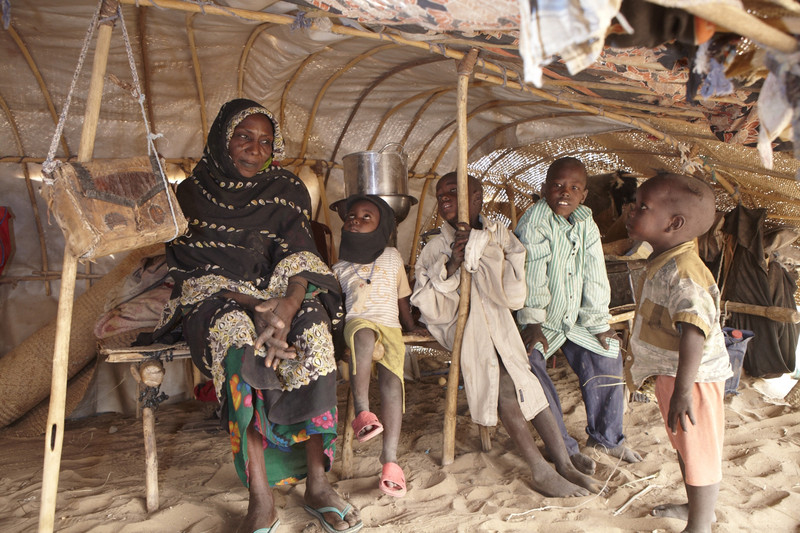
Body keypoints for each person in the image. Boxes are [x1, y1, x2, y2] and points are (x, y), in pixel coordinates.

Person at [148, 99, 362, 533]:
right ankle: (261, 497)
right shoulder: (191, 194)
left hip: (283, 290)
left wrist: (285, 305)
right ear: (222, 139)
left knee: (316, 331)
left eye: (266, 141)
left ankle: (318, 484)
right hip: (219, 294)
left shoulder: (287, 189)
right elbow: (191, 266)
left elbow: (302, 254)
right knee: (237, 340)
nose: (255, 149)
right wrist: (253, 307)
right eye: (244, 137)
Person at [411, 172, 600, 497]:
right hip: (462, 330)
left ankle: (563, 462)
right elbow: (433, 310)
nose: (444, 199)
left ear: (476, 198)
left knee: (526, 378)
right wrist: (454, 265)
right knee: (504, 380)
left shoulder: (499, 236)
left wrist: (483, 248)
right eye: (441, 195)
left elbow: (514, 295)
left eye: (453, 192)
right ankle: (540, 470)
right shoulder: (435, 247)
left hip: (498, 323)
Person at [514, 157, 641, 475]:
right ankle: (564, 449)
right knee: (530, 363)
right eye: (556, 185)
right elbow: (532, 274)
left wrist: (599, 324)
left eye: (573, 187)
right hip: (544, 320)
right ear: (544, 189)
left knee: (608, 350)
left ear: (584, 195)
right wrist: (532, 322)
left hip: (577, 318)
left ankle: (607, 439)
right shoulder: (534, 222)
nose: (564, 193)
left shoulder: (585, 221)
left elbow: (594, 274)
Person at [626, 173, 731, 533]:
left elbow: (694, 334)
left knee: (699, 451)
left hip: (693, 379)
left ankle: (700, 524)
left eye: (642, 206)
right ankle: (696, 510)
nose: (630, 209)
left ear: (674, 223)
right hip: (675, 375)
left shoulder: (685, 273)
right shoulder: (663, 260)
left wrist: (684, 391)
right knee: (686, 446)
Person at [332, 194, 428, 498]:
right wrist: (338, 345)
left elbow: (402, 298)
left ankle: (390, 461)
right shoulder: (340, 267)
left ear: (381, 226)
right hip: (358, 325)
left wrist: (411, 327)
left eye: (365, 217)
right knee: (362, 334)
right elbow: (337, 313)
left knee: (392, 383)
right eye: (351, 217)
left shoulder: (391, 256)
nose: (355, 221)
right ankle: (363, 413)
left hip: (390, 327)